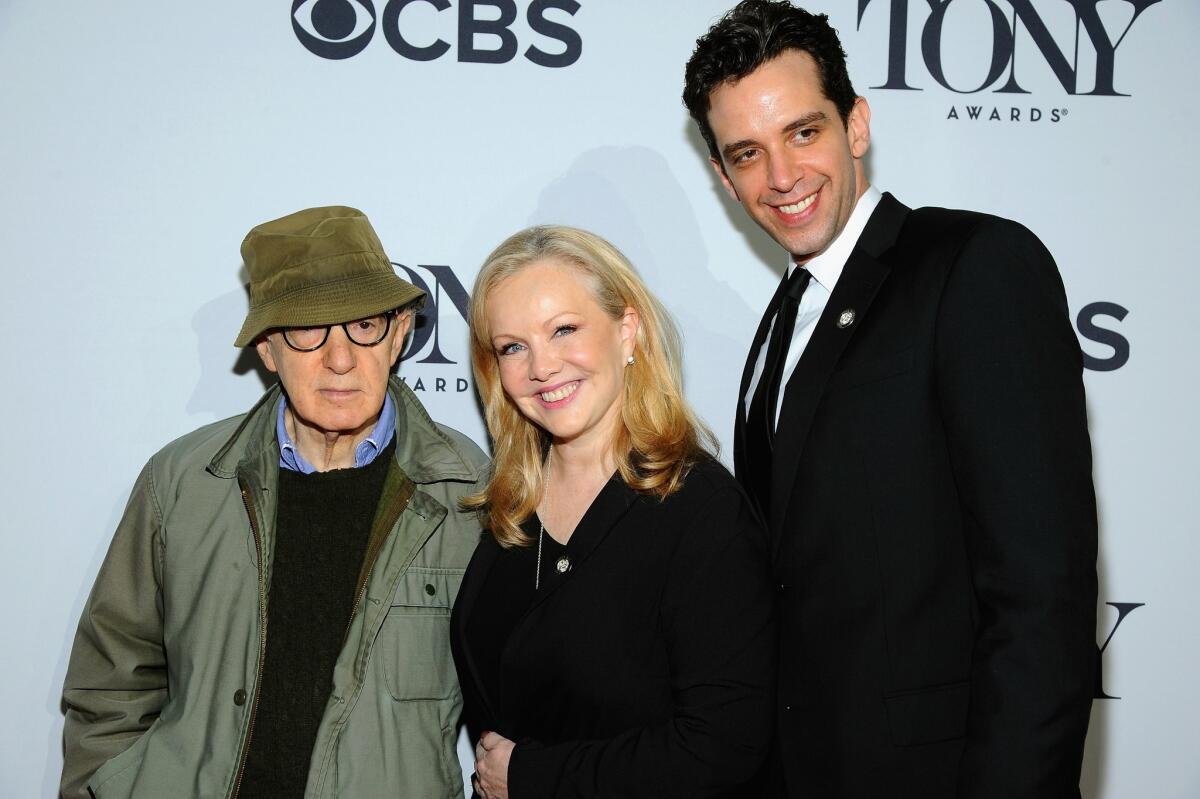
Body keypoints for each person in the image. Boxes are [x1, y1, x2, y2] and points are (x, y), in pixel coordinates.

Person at [682, 2, 1098, 797]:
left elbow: (1040, 593)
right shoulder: (782, 318)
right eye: (747, 153)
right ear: (724, 178)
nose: (782, 177)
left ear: (857, 124)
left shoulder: (974, 267)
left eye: (804, 132)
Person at [61, 206, 488, 799]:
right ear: (267, 349)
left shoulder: (473, 493)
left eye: (363, 325)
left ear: (398, 335)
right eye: (307, 330)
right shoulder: (182, 482)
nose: (340, 359)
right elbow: (111, 681)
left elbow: (521, 699)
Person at [450, 225, 774, 799]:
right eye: (513, 347)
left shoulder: (700, 512)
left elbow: (724, 746)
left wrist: (531, 777)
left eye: (564, 330)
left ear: (628, 331)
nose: (541, 367)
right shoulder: (507, 507)